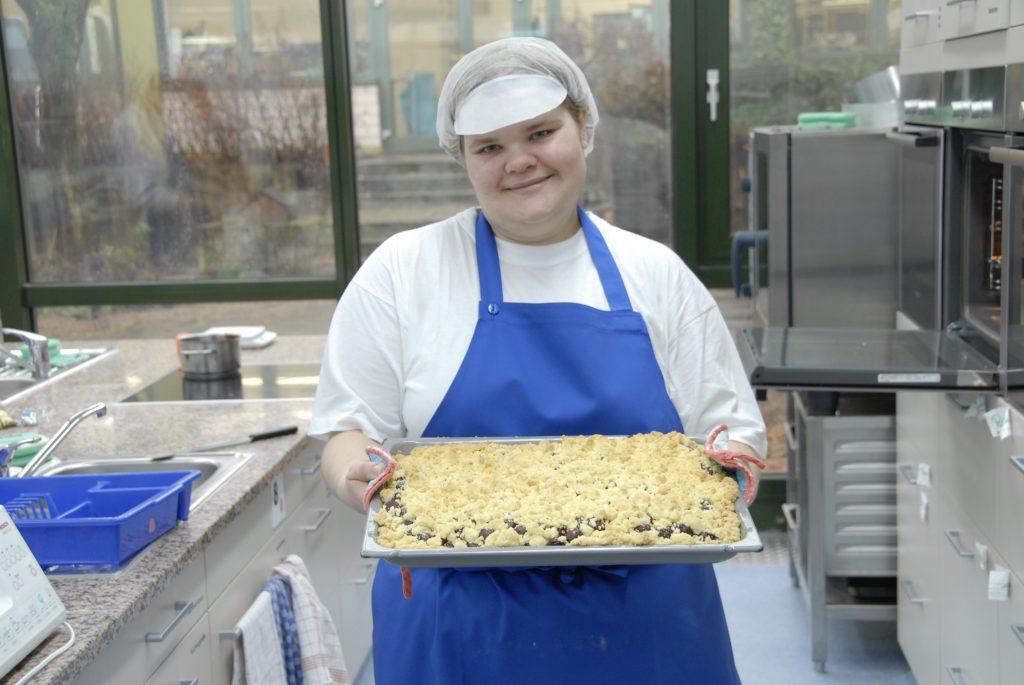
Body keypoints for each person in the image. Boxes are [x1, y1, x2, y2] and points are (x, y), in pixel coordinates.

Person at [310, 36, 766, 684]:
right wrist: (355, 470)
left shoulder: (656, 275)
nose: (518, 161)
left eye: (540, 132)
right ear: (462, 158)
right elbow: (345, 428)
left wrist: (732, 461)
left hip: (645, 630)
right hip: (460, 635)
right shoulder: (404, 273)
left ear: (583, 127)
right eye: (490, 146)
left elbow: (730, 430)